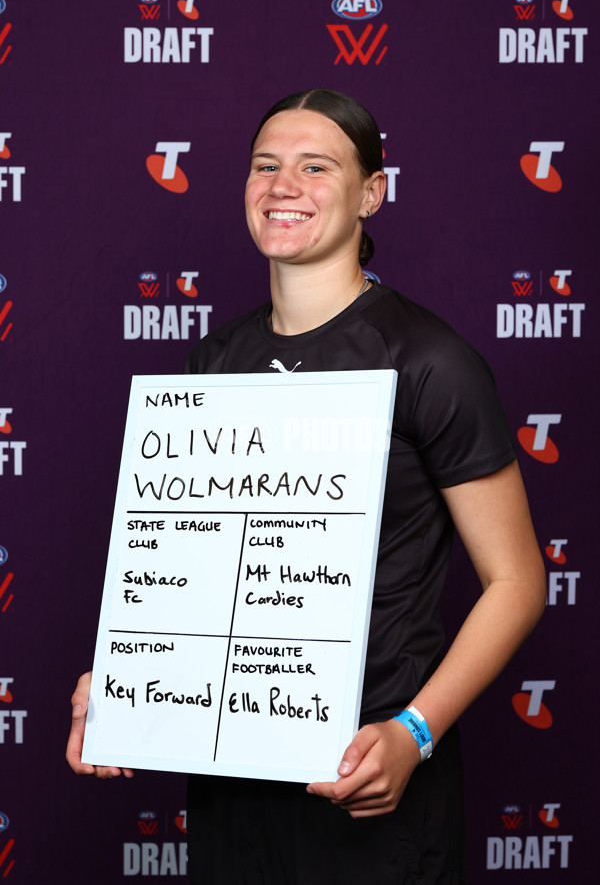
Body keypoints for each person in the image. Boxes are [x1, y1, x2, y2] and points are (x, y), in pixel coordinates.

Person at [67, 88, 546, 884]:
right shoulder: (212, 362)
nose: (283, 186)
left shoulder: (430, 361)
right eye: (266, 166)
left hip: (366, 780)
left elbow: (519, 580)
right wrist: (123, 684)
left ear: (372, 193)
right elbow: (190, 570)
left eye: (315, 167)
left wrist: (415, 733)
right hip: (231, 788)